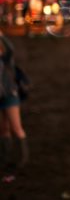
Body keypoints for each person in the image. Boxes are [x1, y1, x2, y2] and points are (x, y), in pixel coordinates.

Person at [0, 32, 29, 173]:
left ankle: (21, 159)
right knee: (3, 129)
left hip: (10, 97)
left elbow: (10, 49)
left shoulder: (6, 59)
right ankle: (5, 158)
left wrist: (1, 36)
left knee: (16, 128)